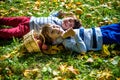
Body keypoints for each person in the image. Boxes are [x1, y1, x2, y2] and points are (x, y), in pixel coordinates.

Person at [40, 23, 120, 53]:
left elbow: (82, 32)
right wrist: (74, 35)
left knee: (117, 26)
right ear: (53, 40)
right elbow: (83, 50)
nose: (56, 28)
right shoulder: (66, 42)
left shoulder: (65, 32)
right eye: (52, 32)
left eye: (54, 26)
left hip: (98, 30)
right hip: (99, 39)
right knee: (117, 35)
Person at [0, 10, 81, 39]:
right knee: (9, 20)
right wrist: (57, 13)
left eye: (70, 25)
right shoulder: (58, 19)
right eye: (69, 20)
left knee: (9, 33)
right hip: (29, 19)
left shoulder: (58, 30)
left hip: (28, 29)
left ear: (68, 29)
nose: (68, 22)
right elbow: (51, 16)